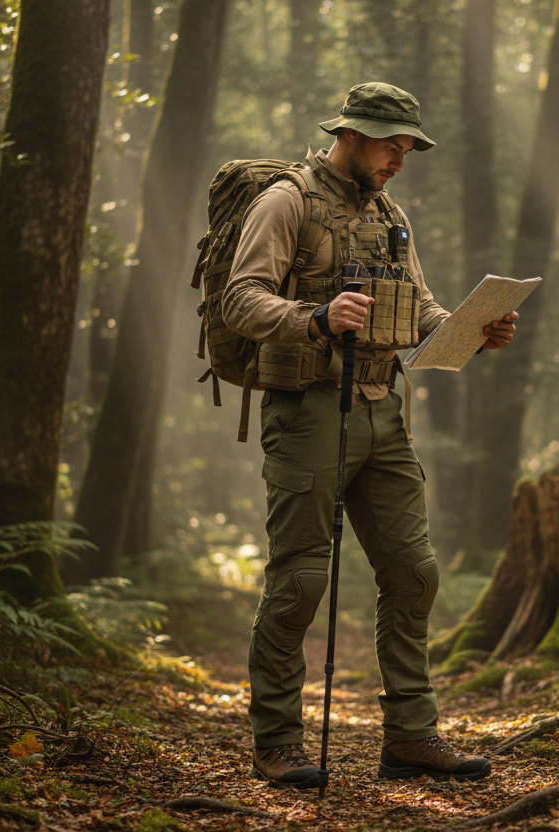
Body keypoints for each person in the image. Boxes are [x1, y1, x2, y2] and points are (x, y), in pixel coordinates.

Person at [222, 82, 519, 789]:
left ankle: (412, 739)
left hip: (385, 409)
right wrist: (317, 317)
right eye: (391, 145)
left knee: (415, 574)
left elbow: (418, 310)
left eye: (408, 147)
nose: (400, 160)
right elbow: (240, 298)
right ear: (350, 135)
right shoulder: (285, 202)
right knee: (300, 581)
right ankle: (278, 741)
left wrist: (473, 333)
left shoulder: (391, 213)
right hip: (308, 411)